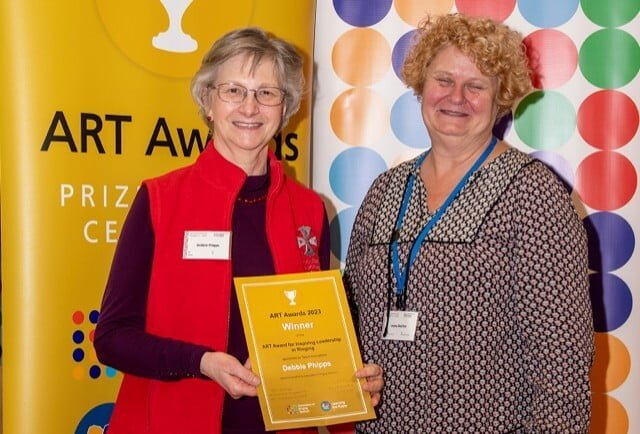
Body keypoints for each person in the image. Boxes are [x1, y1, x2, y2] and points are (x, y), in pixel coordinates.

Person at [95, 27, 383, 434]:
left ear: (286, 108)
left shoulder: (309, 210)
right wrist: (201, 362)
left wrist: (350, 382)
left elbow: (317, 337)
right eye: (233, 90)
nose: (250, 106)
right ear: (207, 101)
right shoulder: (160, 199)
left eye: (267, 92)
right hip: (175, 420)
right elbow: (112, 338)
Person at [343, 13, 593, 433]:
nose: (456, 97)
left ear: (500, 100)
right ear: (422, 86)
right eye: (443, 80)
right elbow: (347, 316)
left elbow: (562, 357)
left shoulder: (532, 192)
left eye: (475, 86)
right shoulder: (386, 189)